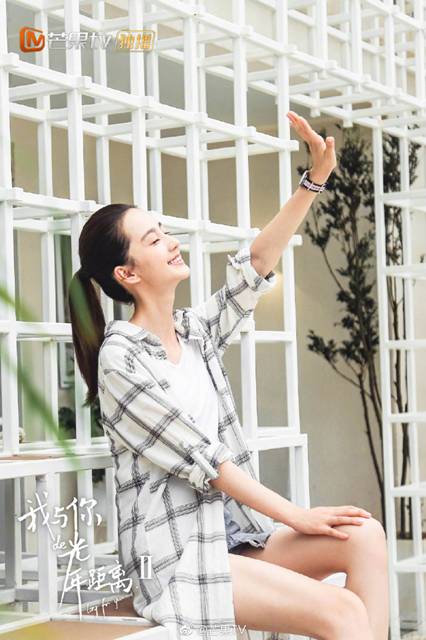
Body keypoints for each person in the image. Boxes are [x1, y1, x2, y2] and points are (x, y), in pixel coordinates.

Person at [68, 111, 389, 640]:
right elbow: (206, 461)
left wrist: (314, 180)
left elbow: (255, 268)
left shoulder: (193, 332)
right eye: (153, 239)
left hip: (234, 538)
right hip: (178, 559)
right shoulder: (120, 359)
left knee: (366, 536)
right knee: (342, 613)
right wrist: (298, 516)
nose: (170, 242)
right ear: (127, 273)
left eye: (164, 232)